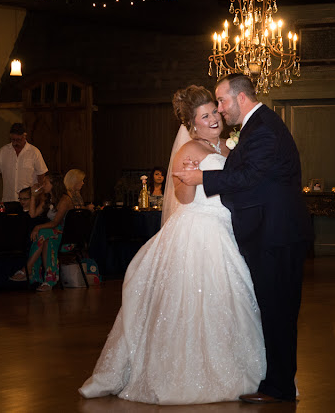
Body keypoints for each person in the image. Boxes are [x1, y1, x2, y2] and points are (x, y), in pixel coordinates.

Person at [79, 85, 265, 404]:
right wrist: (189, 179)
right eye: (205, 116)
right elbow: (183, 199)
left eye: (215, 112)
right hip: (198, 230)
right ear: (193, 124)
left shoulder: (229, 146)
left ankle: (240, 367)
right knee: (193, 302)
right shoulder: (188, 151)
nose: (214, 119)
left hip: (227, 229)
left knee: (233, 299)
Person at [174, 74, 313, 404]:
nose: (220, 110)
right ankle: (277, 381)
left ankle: (278, 386)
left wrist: (201, 177)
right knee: (274, 310)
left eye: (221, 102)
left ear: (240, 98)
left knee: (278, 310)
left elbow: (248, 176)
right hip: (271, 232)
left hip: (275, 234)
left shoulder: (262, 129)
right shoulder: (257, 126)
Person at [9, 170, 89, 292]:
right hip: (53, 235)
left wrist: (37, 227)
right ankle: (48, 280)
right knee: (46, 239)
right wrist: (33, 196)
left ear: (54, 184)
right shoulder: (47, 199)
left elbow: (56, 223)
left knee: (42, 233)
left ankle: (28, 269)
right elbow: (32, 214)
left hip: (67, 237)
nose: (42, 185)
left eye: (45, 182)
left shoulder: (65, 200)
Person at [0, 123, 48, 203]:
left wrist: (40, 195)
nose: (15, 143)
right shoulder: (3, 152)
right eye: (12, 140)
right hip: (8, 199)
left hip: (28, 201)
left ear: (24, 136)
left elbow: (41, 174)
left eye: (18, 140)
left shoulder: (34, 152)